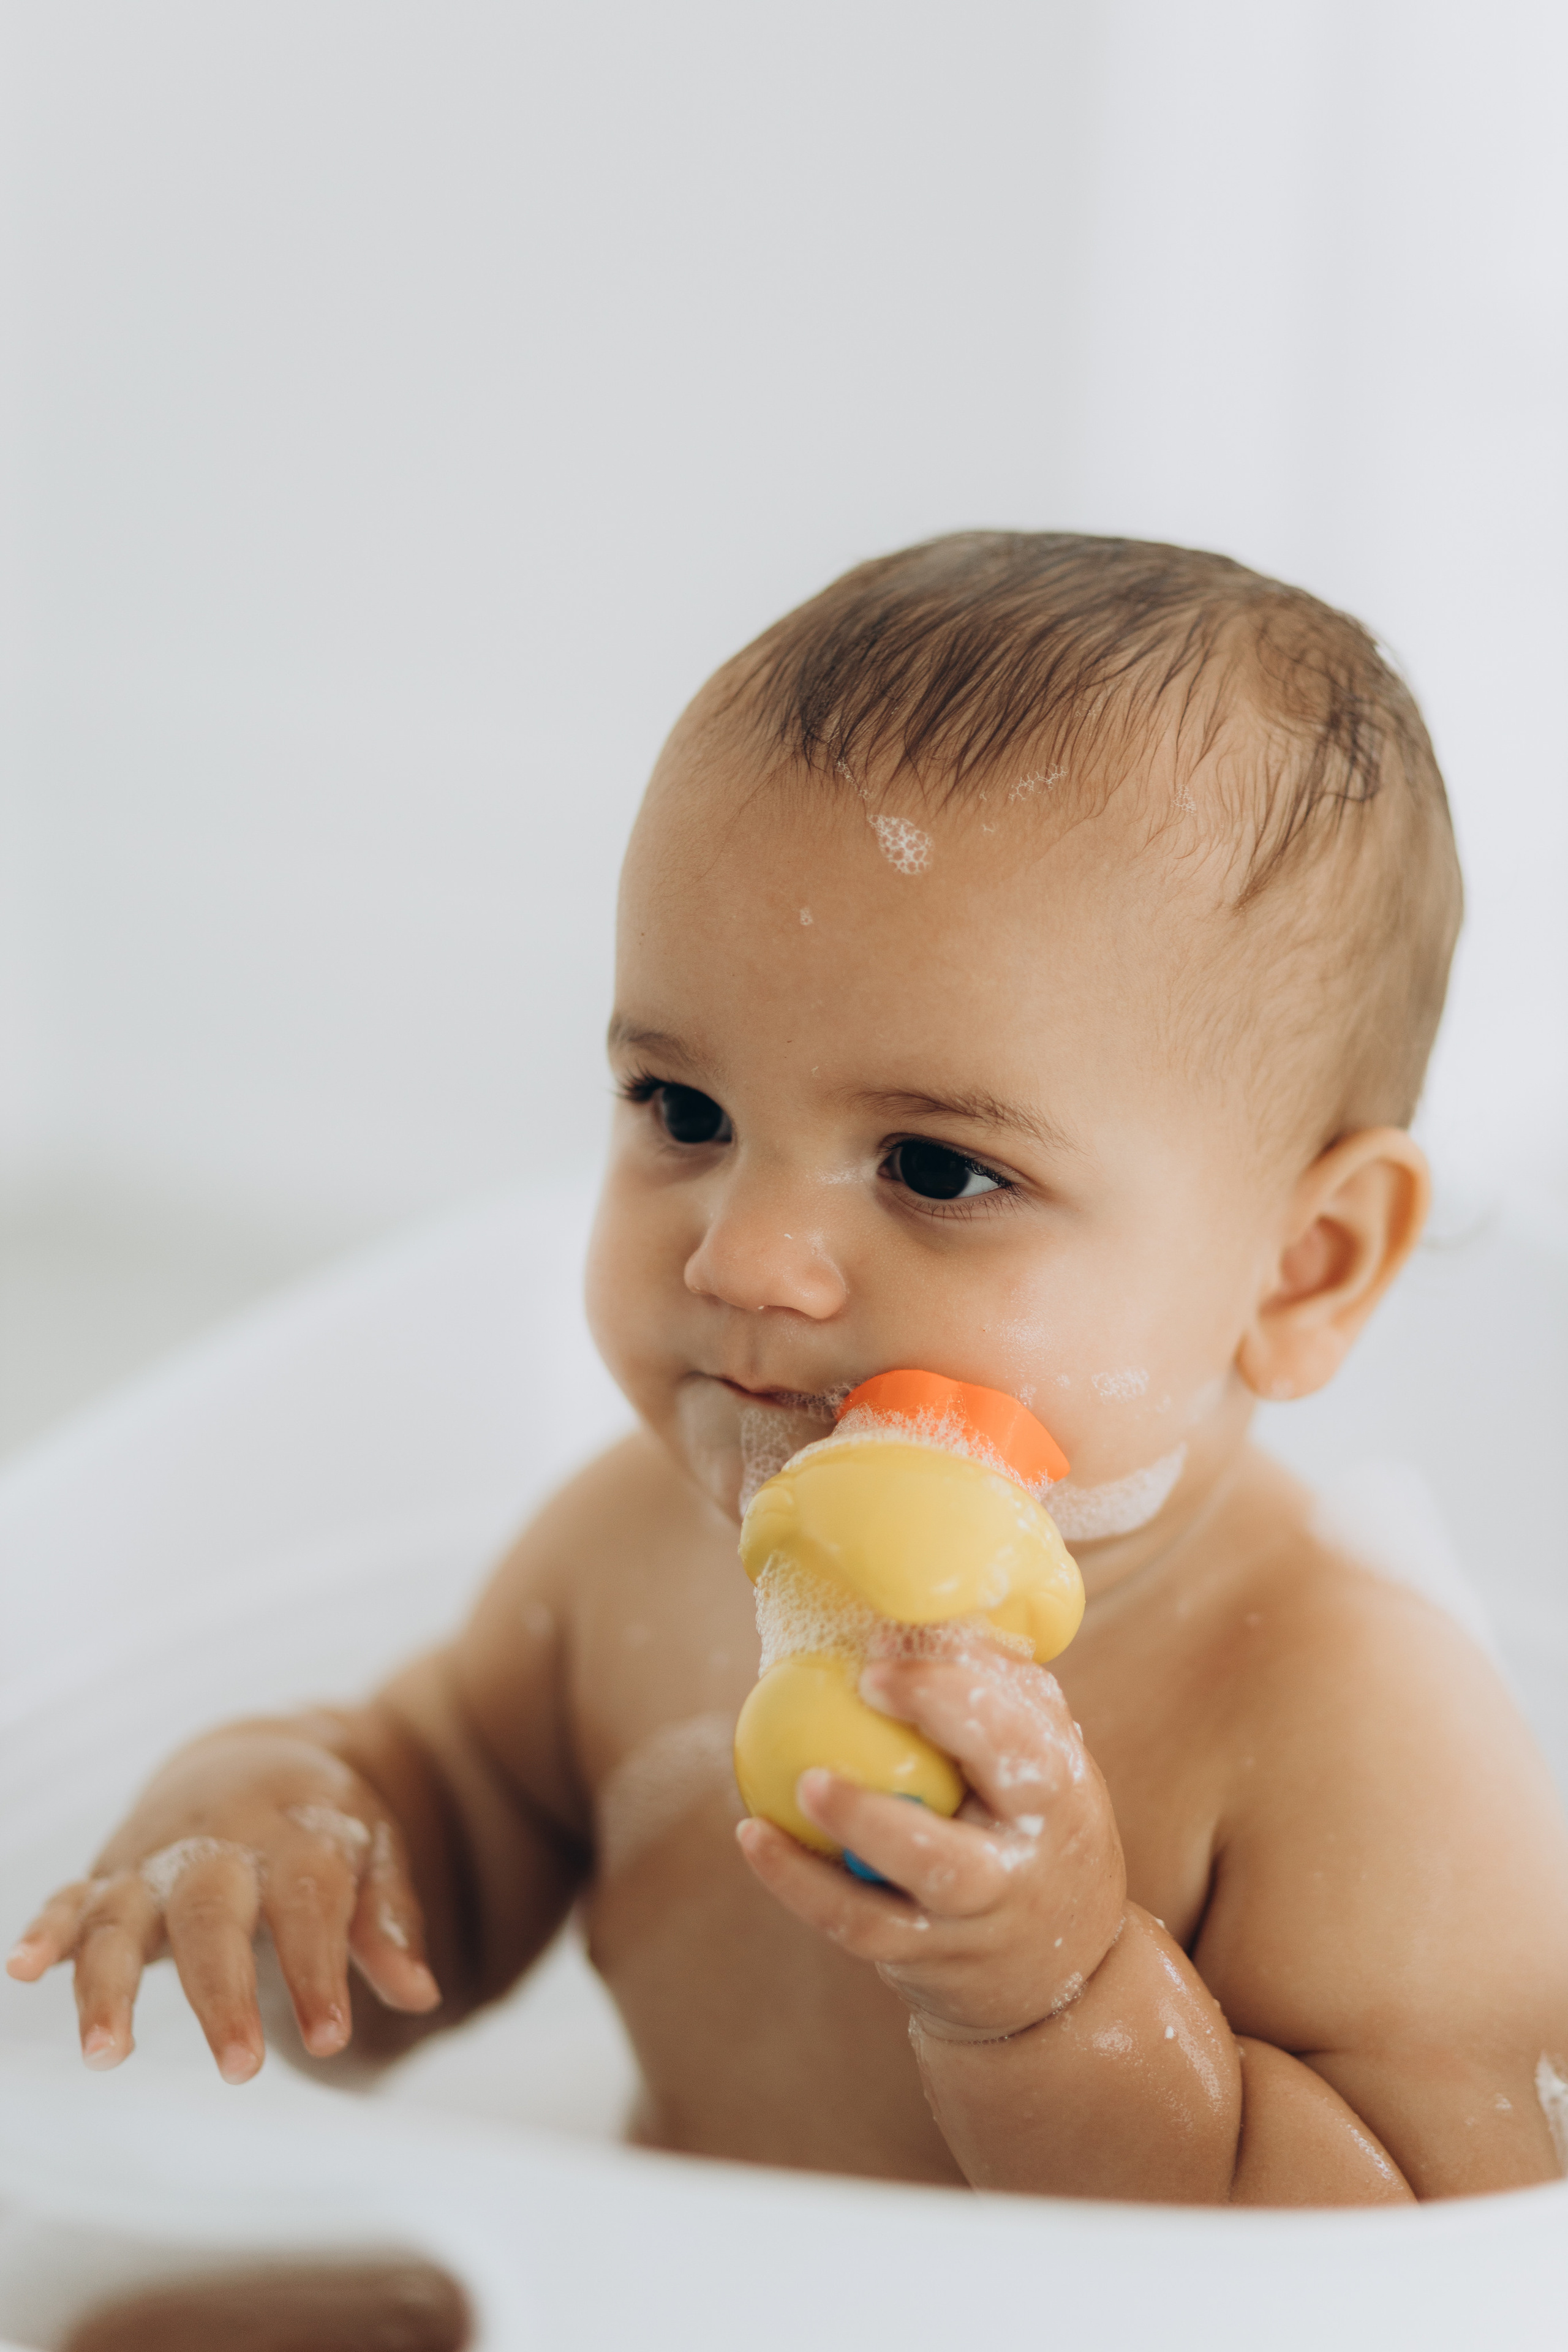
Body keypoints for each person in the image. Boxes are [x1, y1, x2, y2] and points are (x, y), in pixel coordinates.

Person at [12, 533, 1568, 2203]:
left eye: (938, 1169)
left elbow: (1426, 2258)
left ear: (1304, 1266)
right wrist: (284, 1829)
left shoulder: (1346, 1724)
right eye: (684, 1114)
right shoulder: (629, 1561)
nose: (740, 1258)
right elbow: (422, 1917)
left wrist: (1061, 2001)